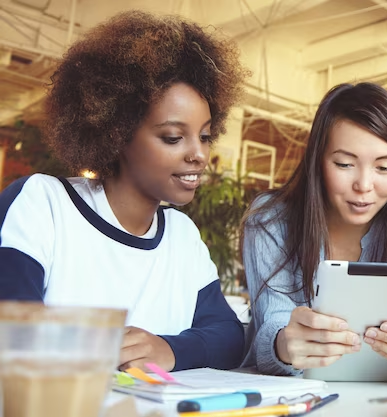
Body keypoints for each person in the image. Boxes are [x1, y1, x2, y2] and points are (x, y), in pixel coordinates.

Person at [0, 10, 250, 372]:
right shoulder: (43, 204)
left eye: (206, 136)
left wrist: (169, 349)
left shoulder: (181, 236)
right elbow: (12, 326)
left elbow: (228, 335)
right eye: (173, 137)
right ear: (115, 133)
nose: (199, 155)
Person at [241, 82, 387, 382]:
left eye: (384, 168)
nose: (364, 185)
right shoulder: (270, 218)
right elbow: (274, 322)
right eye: (344, 164)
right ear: (317, 161)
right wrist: (285, 345)